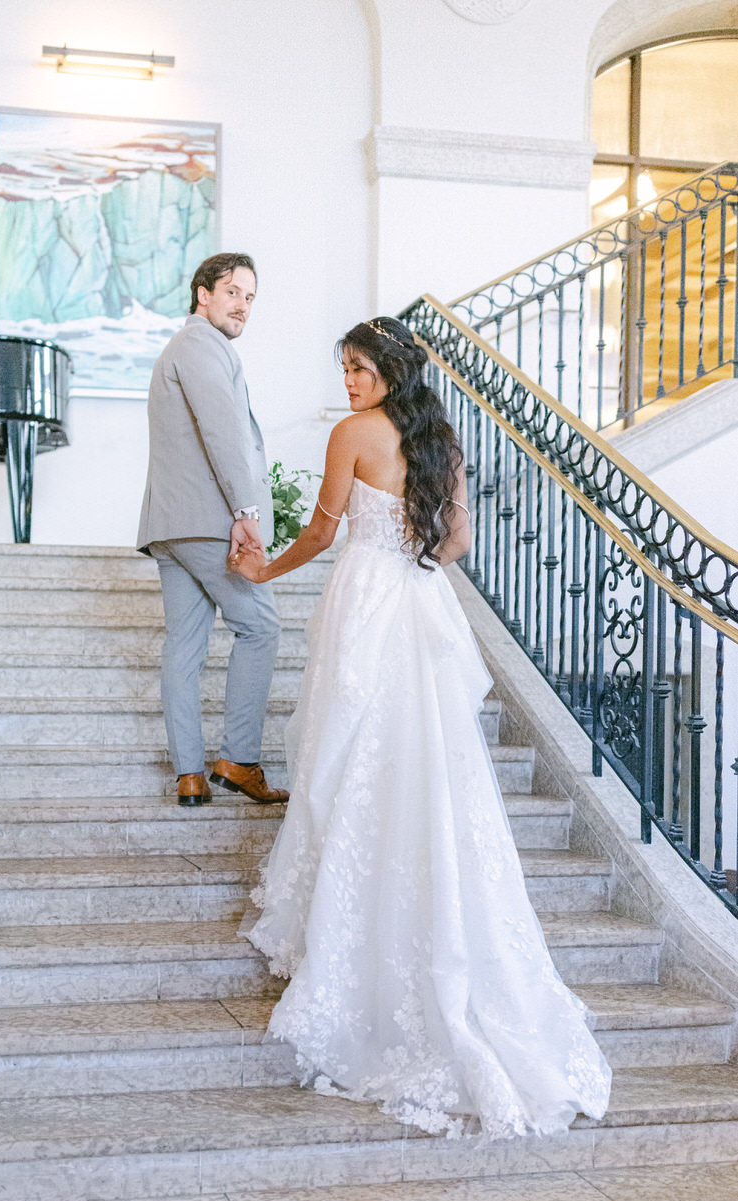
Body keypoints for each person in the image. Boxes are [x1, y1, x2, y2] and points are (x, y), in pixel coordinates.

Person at [229, 317, 611, 1140]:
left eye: (360, 368)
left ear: (389, 369)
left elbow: (325, 530)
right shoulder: (437, 439)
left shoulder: (353, 434)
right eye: (344, 369)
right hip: (417, 599)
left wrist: (263, 569)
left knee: (348, 749)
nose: (349, 381)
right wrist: (414, 563)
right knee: (420, 757)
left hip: (365, 598)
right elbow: (457, 540)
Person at [137, 251, 288, 807]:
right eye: (233, 292)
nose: (243, 305)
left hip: (171, 525)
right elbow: (222, 432)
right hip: (207, 521)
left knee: (185, 645)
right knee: (261, 627)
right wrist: (245, 513)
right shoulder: (201, 343)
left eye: (250, 297)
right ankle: (239, 760)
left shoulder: (181, 348)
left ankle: (190, 774)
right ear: (203, 293)